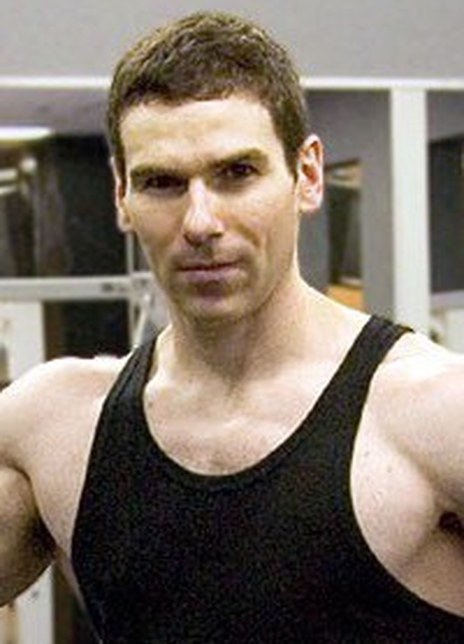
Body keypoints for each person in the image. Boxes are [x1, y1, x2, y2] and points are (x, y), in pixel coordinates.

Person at [1, 10, 464, 643]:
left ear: (307, 175)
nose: (200, 222)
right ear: (121, 196)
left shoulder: (438, 414)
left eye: (236, 173)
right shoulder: (53, 428)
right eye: (162, 183)